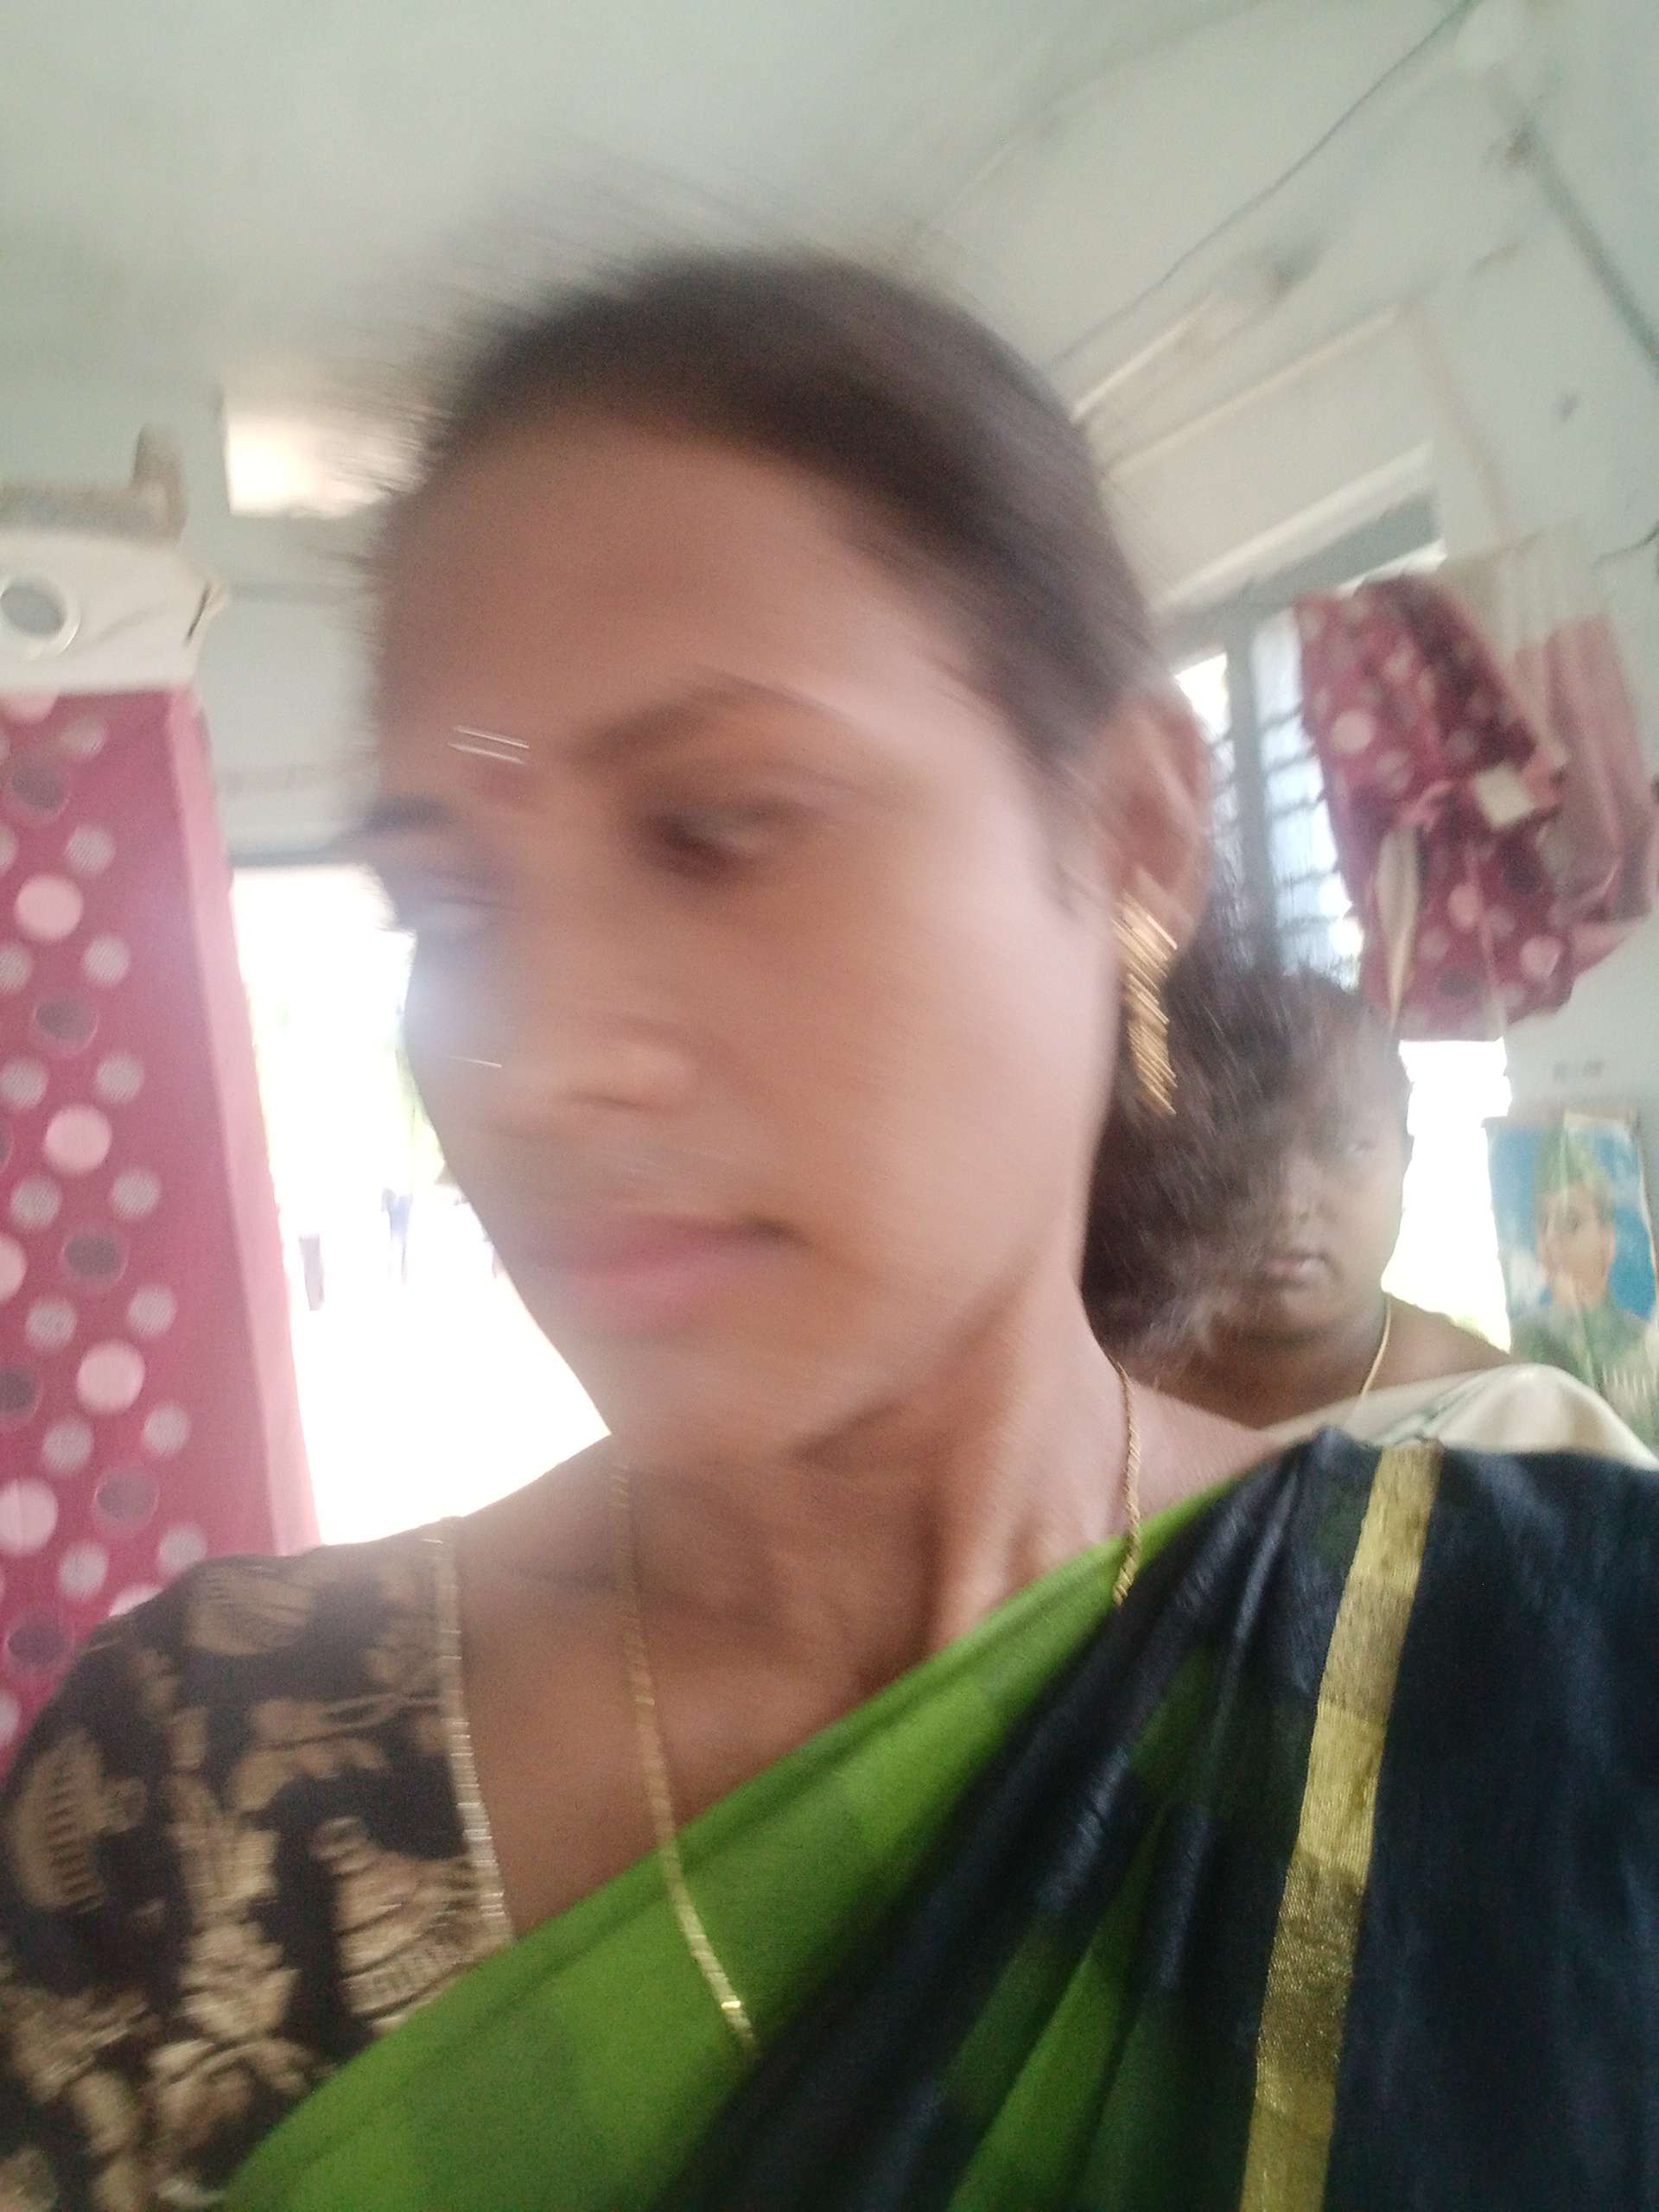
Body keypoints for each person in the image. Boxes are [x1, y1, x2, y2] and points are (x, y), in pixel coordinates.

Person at [2, 253, 1657, 2212]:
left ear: (1131, 830)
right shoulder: (198, 1796)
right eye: (446, 907)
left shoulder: (1556, 1679)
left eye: (723, 828)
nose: (534, 1064)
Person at [1105, 967, 1655, 1462]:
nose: (1286, 1203)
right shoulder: (1097, 1399)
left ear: (1405, 1158)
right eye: (1238, 1149)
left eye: (1346, 1146)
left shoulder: (1522, 1432)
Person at [1510, 1125, 1659, 1445]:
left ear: (1608, 1242)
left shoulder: (1644, 1343)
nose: (1551, 1240)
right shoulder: (1527, 1339)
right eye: (1543, 1223)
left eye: (1570, 1222)